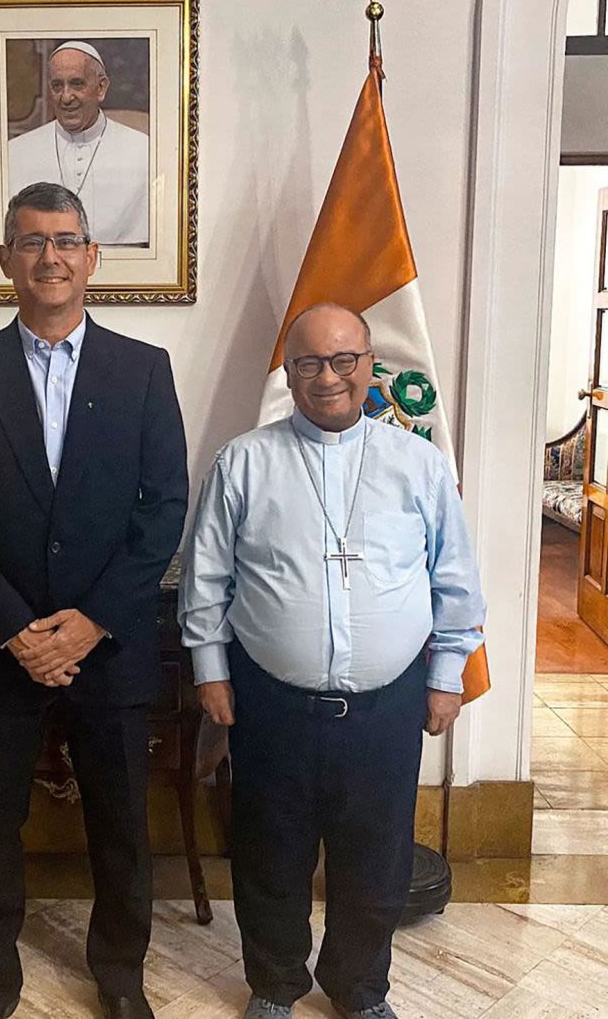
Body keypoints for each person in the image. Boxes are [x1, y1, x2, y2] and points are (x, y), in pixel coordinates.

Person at [0, 181, 187, 1019]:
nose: (50, 256)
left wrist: (92, 622)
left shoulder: (144, 370)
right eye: (32, 242)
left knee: (120, 826)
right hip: (3, 649)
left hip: (108, 646)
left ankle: (121, 974)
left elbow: (164, 507)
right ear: (5, 260)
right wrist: (16, 631)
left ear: (91, 257)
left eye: (66, 240)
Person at [177, 303, 486, 1019]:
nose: (329, 377)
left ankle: (358, 987)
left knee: (375, 860)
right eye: (310, 362)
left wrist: (445, 678)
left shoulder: (418, 463)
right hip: (270, 699)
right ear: (289, 372)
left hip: (387, 703)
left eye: (344, 359)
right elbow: (206, 577)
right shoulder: (244, 461)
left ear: (371, 366)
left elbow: (456, 580)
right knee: (270, 855)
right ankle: (275, 985)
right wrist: (210, 670)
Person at [9, 41, 149, 246]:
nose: (66, 97)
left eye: (77, 84)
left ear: (101, 88)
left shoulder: (144, 151)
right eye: (57, 86)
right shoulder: (15, 153)